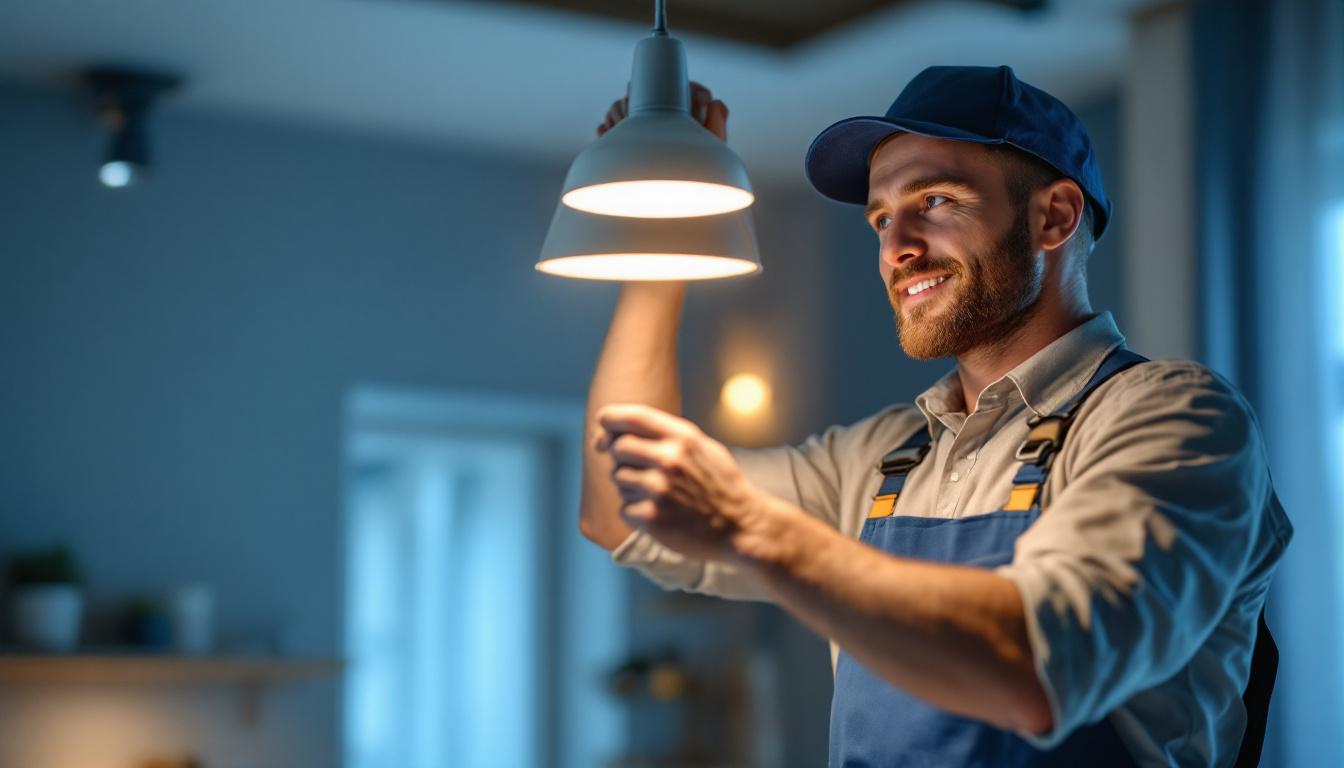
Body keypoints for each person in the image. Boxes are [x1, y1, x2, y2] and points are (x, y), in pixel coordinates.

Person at [579, 65, 1292, 767]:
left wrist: (754, 526)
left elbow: (1037, 664)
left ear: (1055, 216)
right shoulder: (884, 457)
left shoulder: (1173, 418)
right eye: (882, 218)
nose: (896, 248)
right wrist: (661, 230)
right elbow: (617, 507)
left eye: (937, 201)